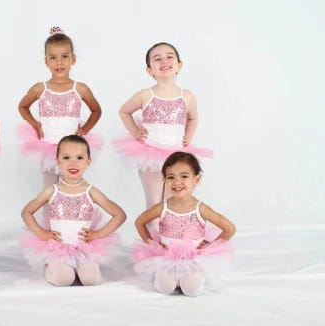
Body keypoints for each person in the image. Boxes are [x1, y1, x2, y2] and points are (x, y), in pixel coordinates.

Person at [114, 42, 212, 216]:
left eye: (169, 57)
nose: (164, 61)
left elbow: (193, 117)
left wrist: (188, 137)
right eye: (157, 59)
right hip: (150, 152)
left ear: (179, 65)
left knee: (173, 198)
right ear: (150, 70)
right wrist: (136, 132)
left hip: (176, 153)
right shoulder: (146, 95)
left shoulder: (187, 96)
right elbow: (124, 111)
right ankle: (153, 237)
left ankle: (169, 236)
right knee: (153, 200)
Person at [20, 135, 126, 286]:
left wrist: (99, 234)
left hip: (83, 247)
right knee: (64, 280)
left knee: (92, 280)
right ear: (57, 161)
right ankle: (53, 266)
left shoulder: (91, 191)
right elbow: (27, 212)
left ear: (88, 162)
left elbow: (119, 215)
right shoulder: (52, 190)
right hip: (58, 246)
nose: (73, 163)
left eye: (80, 157)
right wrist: (42, 233)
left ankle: (77, 267)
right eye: (66, 157)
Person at [132, 152, 235, 296]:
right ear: (164, 180)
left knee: (192, 290)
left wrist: (211, 245)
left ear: (196, 179)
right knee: (165, 287)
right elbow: (140, 222)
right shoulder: (163, 207)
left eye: (184, 176)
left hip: (194, 258)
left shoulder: (201, 208)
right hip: (167, 256)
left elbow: (229, 228)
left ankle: (190, 278)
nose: (177, 182)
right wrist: (152, 243)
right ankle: (168, 278)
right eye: (171, 177)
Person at [18, 26, 102, 187]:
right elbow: (23, 106)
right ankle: (48, 212)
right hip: (46, 144)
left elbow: (96, 110)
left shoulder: (80, 88)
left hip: (72, 149)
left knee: (70, 185)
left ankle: (68, 212)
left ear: (73, 59)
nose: (59, 62)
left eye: (64, 56)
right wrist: (34, 123)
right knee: (49, 188)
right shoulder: (40, 88)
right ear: (46, 61)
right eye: (53, 57)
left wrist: (85, 129)